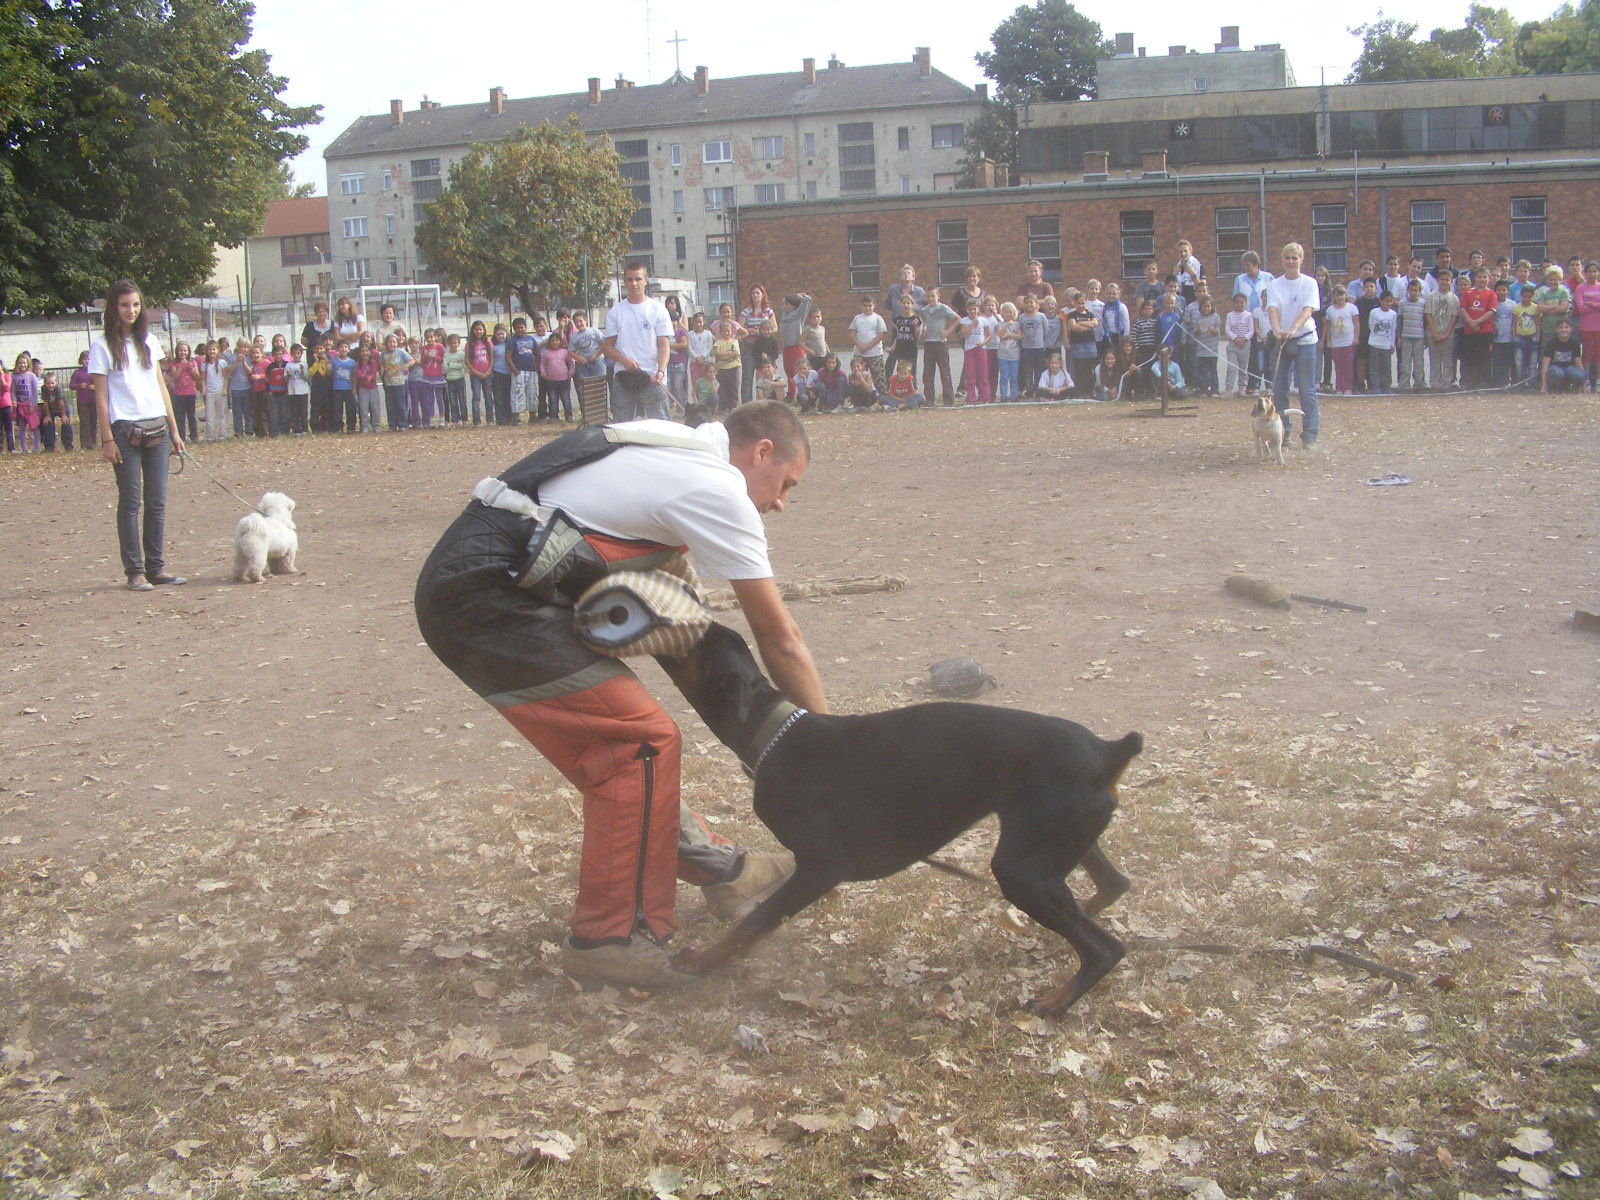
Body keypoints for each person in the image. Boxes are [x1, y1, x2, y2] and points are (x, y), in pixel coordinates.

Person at [413, 401, 826, 991]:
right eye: (786, 483)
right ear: (761, 452)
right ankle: (609, 941)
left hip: (491, 584)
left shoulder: (667, 442)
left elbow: (687, 632)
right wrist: (830, 746)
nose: (781, 502)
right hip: (485, 600)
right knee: (638, 745)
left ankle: (729, 874)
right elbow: (781, 640)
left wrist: (766, 733)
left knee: (641, 742)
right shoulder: (715, 486)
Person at [90, 280, 186, 591]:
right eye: (123, 305)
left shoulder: (149, 341)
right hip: (123, 430)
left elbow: (161, 387)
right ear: (113, 308)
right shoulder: (102, 346)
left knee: (157, 501)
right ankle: (135, 571)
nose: (130, 310)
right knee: (130, 502)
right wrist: (107, 440)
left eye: (135, 304)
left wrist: (174, 430)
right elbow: (101, 398)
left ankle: (156, 567)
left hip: (156, 425)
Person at [1266, 243, 1321, 447]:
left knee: (1307, 389)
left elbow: (1308, 310)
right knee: (1279, 388)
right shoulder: (1274, 285)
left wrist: (1293, 329)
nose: (1291, 261)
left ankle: (1310, 435)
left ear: (1301, 260)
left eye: (1294, 258)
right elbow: (1272, 308)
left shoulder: (1310, 283)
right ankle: (1283, 432)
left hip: (1305, 339)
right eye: (1287, 258)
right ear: (1282, 260)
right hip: (1281, 340)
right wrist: (1276, 328)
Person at [604, 261, 674, 421]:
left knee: (663, 429)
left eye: (638, 279)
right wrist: (624, 360)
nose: (634, 283)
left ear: (645, 280)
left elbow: (664, 345)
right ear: (624, 281)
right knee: (622, 430)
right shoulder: (615, 312)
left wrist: (661, 371)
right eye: (629, 279)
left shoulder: (658, 310)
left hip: (652, 378)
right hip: (623, 378)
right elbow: (607, 347)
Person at [1232, 251, 1275, 393]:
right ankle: (1251, 385)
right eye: (1244, 266)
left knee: (1266, 354)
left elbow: (1275, 297)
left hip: (1265, 320)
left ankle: (1269, 385)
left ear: (1256, 265)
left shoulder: (1268, 278)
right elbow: (1237, 298)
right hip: (1246, 321)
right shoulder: (1239, 279)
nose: (1246, 269)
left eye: (1248, 265)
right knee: (1250, 354)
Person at [917, 289, 958, 406]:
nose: (931, 299)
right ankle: (929, 400)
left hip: (941, 343)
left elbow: (957, 319)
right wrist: (924, 329)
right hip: (929, 343)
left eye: (933, 296)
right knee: (928, 373)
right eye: (928, 297)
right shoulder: (924, 310)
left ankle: (948, 400)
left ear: (938, 296)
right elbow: (924, 323)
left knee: (945, 373)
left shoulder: (943, 308)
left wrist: (948, 331)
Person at [847, 295, 889, 393]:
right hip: (860, 354)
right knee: (859, 377)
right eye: (865, 306)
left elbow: (881, 334)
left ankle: (883, 400)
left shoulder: (878, 318)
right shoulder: (857, 318)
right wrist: (859, 346)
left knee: (879, 378)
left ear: (874, 305)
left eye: (870, 305)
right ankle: (860, 400)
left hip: (875, 353)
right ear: (861, 306)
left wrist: (868, 346)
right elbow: (852, 333)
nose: (867, 308)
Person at [1322, 285, 1359, 394]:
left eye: (1342, 295)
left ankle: (1348, 387)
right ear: (1334, 297)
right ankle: (1339, 387)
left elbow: (1356, 324)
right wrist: (1328, 341)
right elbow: (1328, 327)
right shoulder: (1330, 310)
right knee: (1338, 366)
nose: (1340, 298)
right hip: (1336, 343)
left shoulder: (1352, 308)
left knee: (1347, 365)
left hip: (1349, 342)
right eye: (1337, 295)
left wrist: (1356, 338)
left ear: (1345, 295)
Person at [778, 292, 813, 397]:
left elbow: (808, 300)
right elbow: (783, 301)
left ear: (794, 306)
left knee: (798, 371)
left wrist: (801, 297)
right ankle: (791, 394)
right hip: (786, 347)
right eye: (785, 304)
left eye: (787, 304)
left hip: (796, 347)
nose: (784, 306)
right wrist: (791, 297)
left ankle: (802, 393)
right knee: (788, 371)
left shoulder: (798, 314)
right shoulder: (784, 314)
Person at [1398, 280, 1429, 392]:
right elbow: (1399, 321)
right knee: (1405, 363)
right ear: (1408, 290)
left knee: (1419, 362)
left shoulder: (1423, 304)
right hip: (1406, 336)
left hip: (1419, 337)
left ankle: (1419, 383)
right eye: (1411, 290)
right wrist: (1399, 337)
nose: (1413, 292)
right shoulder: (1402, 303)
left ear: (1420, 291)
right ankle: (1404, 384)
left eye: (1416, 290)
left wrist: (1426, 337)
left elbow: (1426, 322)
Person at [1367, 291, 1399, 395]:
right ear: (1381, 301)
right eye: (1386, 301)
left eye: (1390, 301)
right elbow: (1370, 325)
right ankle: (1376, 386)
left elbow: (1393, 330)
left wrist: (1392, 344)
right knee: (1375, 366)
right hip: (1374, 343)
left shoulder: (1393, 314)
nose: (1388, 303)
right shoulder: (1374, 312)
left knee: (1386, 366)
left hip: (1386, 345)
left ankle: (1386, 386)